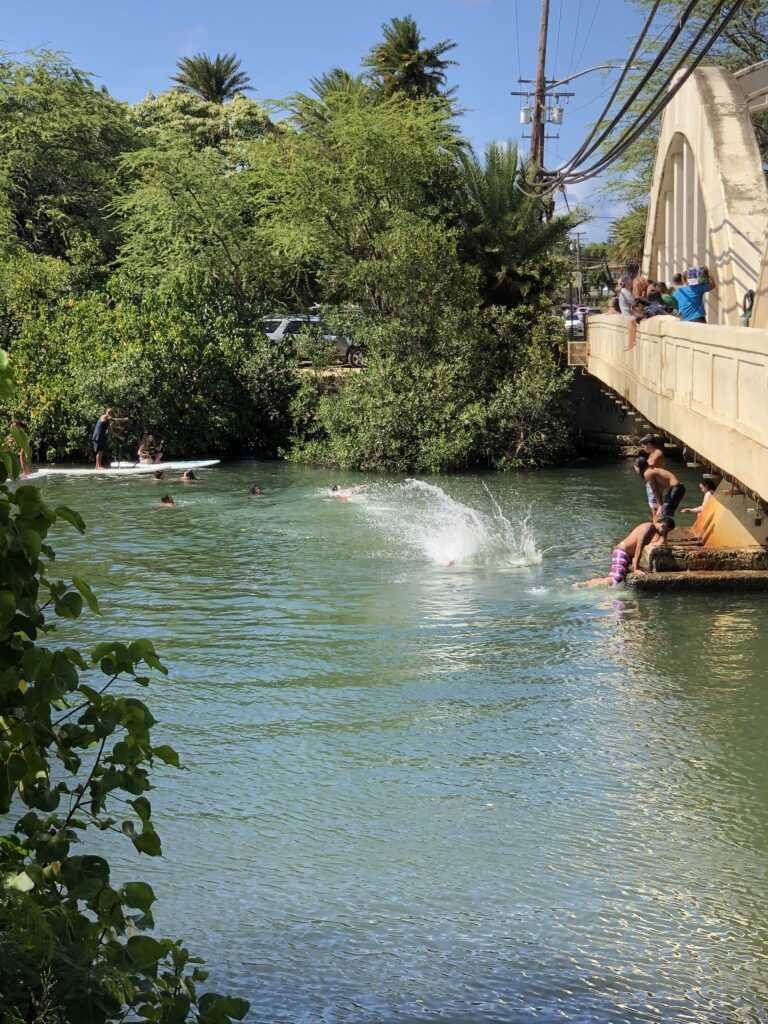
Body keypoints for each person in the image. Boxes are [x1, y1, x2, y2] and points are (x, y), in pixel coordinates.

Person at [574, 518, 672, 588]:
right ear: (663, 525)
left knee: (615, 578)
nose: (665, 534)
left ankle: (587, 583)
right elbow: (639, 547)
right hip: (621, 552)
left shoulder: (653, 531)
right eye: (666, 531)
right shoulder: (648, 527)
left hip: (627, 555)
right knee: (615, 579)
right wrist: (636, 568)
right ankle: (584, 585)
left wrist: (635, 565)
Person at [634, 456, 686, 520]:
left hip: (676, 489)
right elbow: (660, 488)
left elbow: (654, 490)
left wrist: (660, 505)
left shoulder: (647, 473)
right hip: (679, 488)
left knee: (663, 514)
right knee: (667, 514)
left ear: (639, 466)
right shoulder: (652, 469)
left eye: (635, 468)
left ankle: (664, 528)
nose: (635, 470)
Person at [637, 435, 667, 515]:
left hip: (656, 483)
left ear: (649, 444)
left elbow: (648, 469)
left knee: (656, 509)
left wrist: (638, 467)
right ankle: (656, 524)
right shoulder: (652, 453)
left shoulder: (657, 454)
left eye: (644, 447)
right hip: (652, 482)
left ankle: (657, 525)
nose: (643, 449)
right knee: (654, 508)